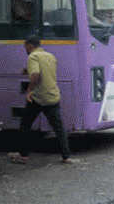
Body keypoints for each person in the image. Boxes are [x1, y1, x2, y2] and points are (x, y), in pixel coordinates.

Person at [8, 35, 73, 163]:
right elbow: (46, 72)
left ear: (30, 45)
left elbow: (36, 75)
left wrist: (29, 91)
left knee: (25, 125)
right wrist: (28, 70)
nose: (25, 49)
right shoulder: (50, 56)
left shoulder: (33, 56)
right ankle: (66, 157)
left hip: (38, 98)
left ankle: (23, 156)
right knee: (58, 128)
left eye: (25, 46)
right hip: (53, 96)